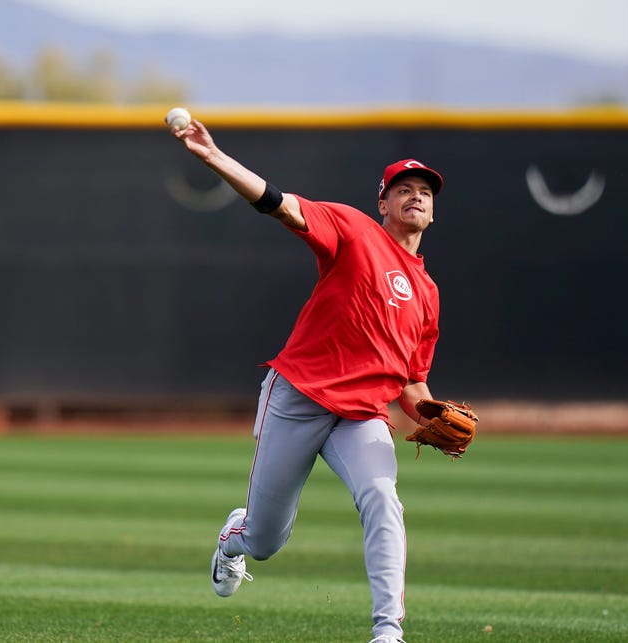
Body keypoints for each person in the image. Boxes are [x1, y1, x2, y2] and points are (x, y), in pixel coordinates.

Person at [171, 116, 447, 643]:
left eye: (424, 192)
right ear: (383, 204)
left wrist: (432, 415)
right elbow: (280, 204)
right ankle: (235, 535)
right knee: (266, 539)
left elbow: (412, 384)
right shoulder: (352, 228)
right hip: (299, 396)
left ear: (432, 211)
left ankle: (388, 633)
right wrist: (214, 158)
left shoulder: (429, 294)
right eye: (403, 189)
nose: (416, 196)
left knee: (383, 499)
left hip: (362, 415)